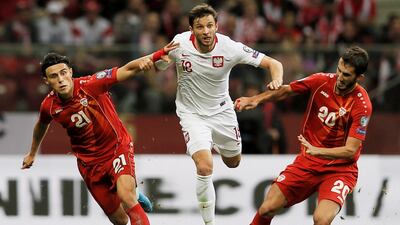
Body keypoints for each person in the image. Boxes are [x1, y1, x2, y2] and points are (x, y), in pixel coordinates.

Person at [21, 41, 178, 225]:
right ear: (47, 81)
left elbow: (126, 69)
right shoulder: (49, 106)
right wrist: (32, 152)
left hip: (116, 148)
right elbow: (41, 125)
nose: (61, 79)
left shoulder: (91, 84)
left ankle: (129, 192)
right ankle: (131, 192)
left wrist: (155, 56)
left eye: (63, 73)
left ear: (70, 72)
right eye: (54, 76)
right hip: (89, 164)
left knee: (127, 198)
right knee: (119, 220)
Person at [154, 4, 283, 225]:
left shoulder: (229, 47)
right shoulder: (180, 43)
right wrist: (162, 61)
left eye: (210, 26)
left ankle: (214, 143)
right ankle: (209, 223)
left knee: (233, 162)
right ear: (191, 29)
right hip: (192, 113)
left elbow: (274, 63)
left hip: (222, 112)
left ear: (217, 26)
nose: (205, 31)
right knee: (205, 166)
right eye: (200, 27)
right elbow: (158, 64)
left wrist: (277, 79)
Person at [235, 46, 372, 225]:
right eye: (338, 70)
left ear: (359, 77)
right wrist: (254, 100)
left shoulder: (362, 105)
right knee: (267, 208)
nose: (339, 77)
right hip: (307, 163)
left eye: (346, 75)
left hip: (339, 170)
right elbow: (286, 90)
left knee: (321, 220)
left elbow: (351, 151)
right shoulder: (321, 81)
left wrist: (318, 151)